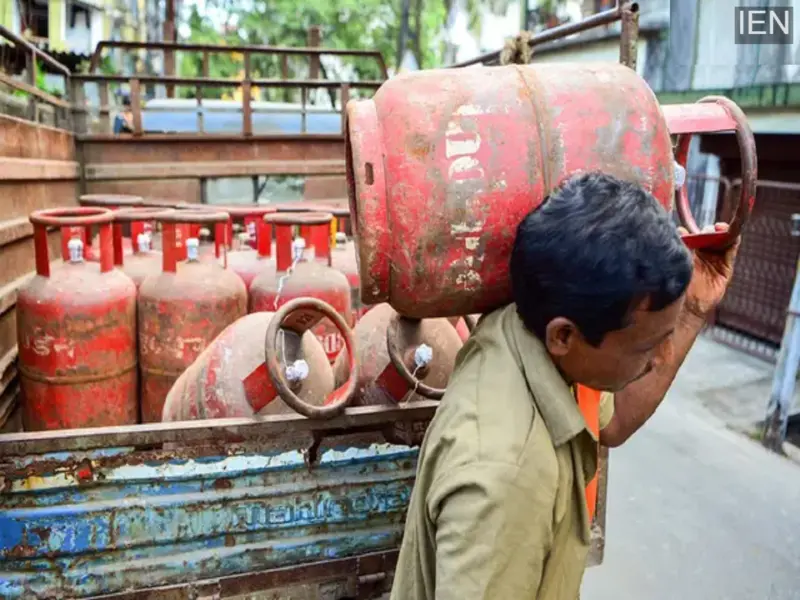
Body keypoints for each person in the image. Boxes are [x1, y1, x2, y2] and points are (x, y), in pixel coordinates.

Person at [390, 172, 739, 600]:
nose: (662, 358)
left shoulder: (525, 326)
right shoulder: (508, 480)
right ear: (563, 336)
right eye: (648, 346)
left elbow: (614, 421)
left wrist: (694, 309)